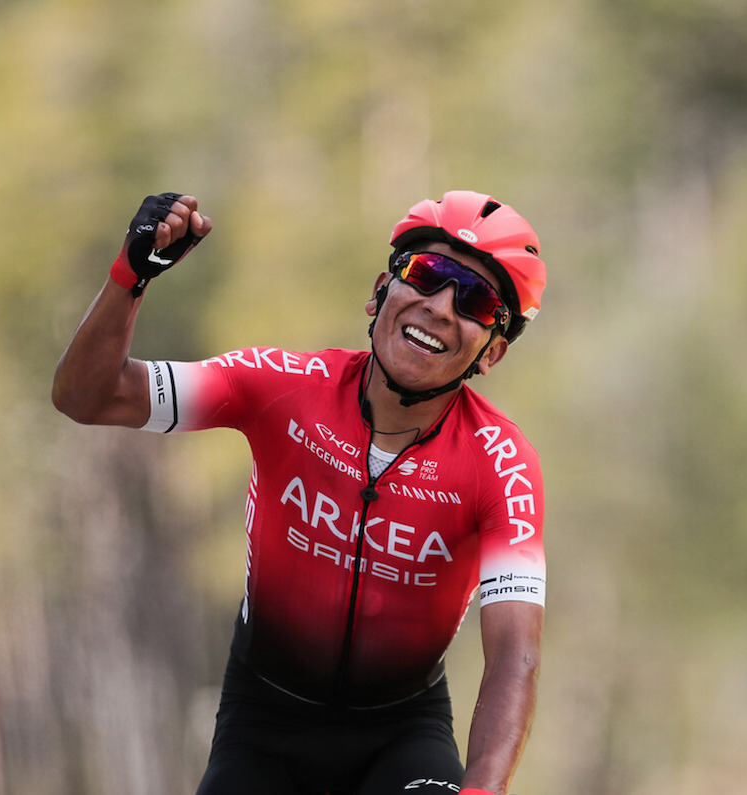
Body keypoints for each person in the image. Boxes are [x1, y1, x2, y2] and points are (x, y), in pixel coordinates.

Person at [52, 190, 547, 795]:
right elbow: (88, 396)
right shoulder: (285, 387)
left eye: (475, 300)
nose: (441, 307)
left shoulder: (502, 464)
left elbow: (514, 656)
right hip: (265, 723)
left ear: (492, 352)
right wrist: (130, 277)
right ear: (380, 292)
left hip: (402, 734)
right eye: (426, 273)